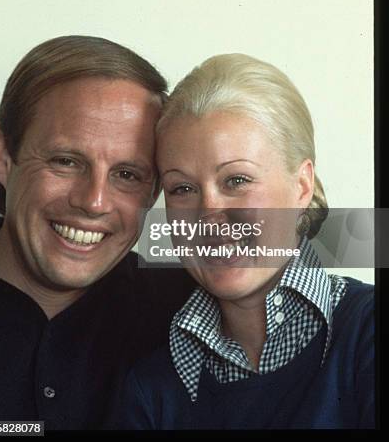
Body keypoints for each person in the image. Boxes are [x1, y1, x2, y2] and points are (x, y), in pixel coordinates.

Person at [118, 53, 374, 429]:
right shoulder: (150, 386)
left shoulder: (366, 332)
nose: (208, 212)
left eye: (236, 180)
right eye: (182, 188)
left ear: (301, 186)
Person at [0, 35, 195, 430]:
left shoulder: (188, 310)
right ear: (4, 155)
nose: (94, 202)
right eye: (66, 161)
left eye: (127, 175)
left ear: (153, 191)